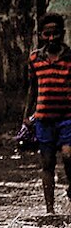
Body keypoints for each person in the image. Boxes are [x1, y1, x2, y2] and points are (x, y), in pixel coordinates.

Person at [22, 12, 71, 214]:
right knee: (47, 163)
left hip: (67, 117)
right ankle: (50, 210)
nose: (51, 38)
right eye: (47, 34)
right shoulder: (35, 58)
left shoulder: (70, 56)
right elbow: (33, 88)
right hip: (43, 118)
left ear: (63, 33)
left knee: (68, 156)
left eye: (56, 34)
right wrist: (26, 116)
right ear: (41, 35)